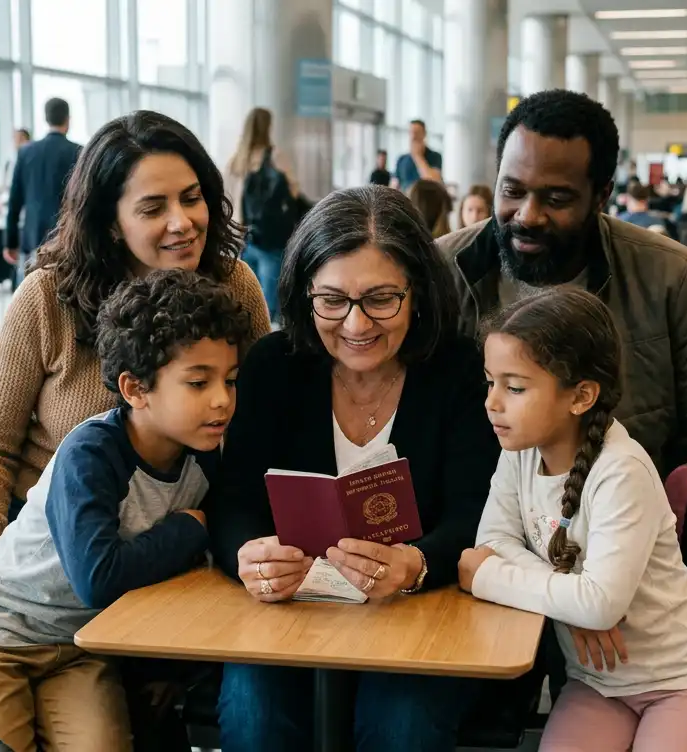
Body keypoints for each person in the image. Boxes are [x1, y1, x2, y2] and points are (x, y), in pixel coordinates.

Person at [0, 110, 271, 707]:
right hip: (14, 486)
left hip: (132, 512)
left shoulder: (234, 287)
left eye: (192, 197)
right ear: (112, 222)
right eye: (153, 208)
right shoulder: (49, 294)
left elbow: (251, 429)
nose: (182, 222)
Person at [209, 186, 501, 751]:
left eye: (381, 299)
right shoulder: (274, 366)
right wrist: (247, 554)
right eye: (332, 300)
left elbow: (478, 511)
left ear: (418, 293)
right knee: (253, 712)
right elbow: (234, 498)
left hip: (418, 609)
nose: (356, 323)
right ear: (305, 296)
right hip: (292, 608)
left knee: (402, 725)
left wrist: (418, 564)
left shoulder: (460, 370)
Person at [0, 269, 255, 752]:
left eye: (229, 381)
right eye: (197, 382)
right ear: (135, 389)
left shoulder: (205, 450)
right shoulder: (91, 454)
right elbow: (99, 576)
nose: (222, 400)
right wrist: (190, 529)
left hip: (80, 649)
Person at [435, 89, 687, 474]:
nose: (528, 215)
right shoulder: (440, 272)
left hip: (637, 505)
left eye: (557, 199)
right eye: (512, 191)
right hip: (475, 508)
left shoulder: (672, 279)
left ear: (601, 196)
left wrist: (665, 507)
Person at [463, 286, 687, 752]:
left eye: (515, 387)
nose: (492, 402)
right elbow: (493, 542)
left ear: (581, 396)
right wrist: (572, 599)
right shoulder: (518, 452)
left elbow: (596, 604)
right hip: (597, 683)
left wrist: (485, 576)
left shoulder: (621, 470)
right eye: (490, 382)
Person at [225, 107, 300, 322]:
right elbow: (294, 190)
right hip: (270, 237)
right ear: (268, 127)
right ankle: (265, 337)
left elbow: (227, 196)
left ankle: (250, 337)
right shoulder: (275, 156)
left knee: (247, 298)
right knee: (268, 305)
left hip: (243, 236)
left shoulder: (237, 160)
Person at [5, 98, 82, 285]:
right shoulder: (79, 152)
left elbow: (15, 201)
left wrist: (10, 241)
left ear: (46, 118)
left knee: (29, 291)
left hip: (33, 236)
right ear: (68, 119)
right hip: (67, 237)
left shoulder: (26, 152)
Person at [0, 128, 32, 230]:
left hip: (27, 212)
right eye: (15, 139)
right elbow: (4, 185)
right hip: (9, 209)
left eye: (21, 139)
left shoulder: (32, 162)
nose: (17, 142)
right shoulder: (9, 163)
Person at [391, 119, 443, 189]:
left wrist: (418, 156)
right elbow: (394, 185)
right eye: (411, 132)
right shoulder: (401, 159)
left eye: (417, 132)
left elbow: (434, 182)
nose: (413, 136)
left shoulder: (435, 156)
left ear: (424, 134)